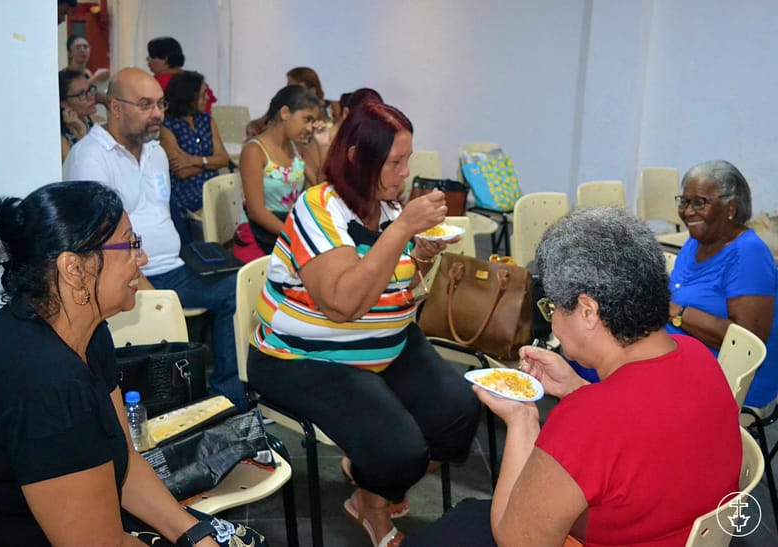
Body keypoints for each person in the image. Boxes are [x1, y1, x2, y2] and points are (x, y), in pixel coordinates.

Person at [405, 206, 742, 547]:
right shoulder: (697, 355)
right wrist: (578, 389)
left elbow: (516, 539)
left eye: (551, 307)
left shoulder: (588, 421)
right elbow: (643, 426)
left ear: (587, 311)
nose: (552, 321)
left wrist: (522, 419)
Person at [0, 181, 265, 546]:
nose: (141, 259)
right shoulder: (48, 385)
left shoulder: (84, 331)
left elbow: (122, 460)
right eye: (130, 244)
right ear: (74, 268)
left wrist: (193, 533)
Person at [247, 101, 481, 547]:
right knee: (400, 450)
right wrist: (402, 232)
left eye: (407, 160)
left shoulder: (389, 209)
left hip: (387, 344)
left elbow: (399, 287)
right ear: (357, 157)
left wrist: (421, 258)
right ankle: (375, 498)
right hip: (303, 357)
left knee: (458, 413)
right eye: (395, 162)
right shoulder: (318, 209)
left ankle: (370, 485)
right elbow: (342, 304)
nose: (404, 172)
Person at [63, 67, 244, 410]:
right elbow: (96, 242)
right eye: (145, 105)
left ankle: (228, 398)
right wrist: (144, 283)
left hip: (174, 268)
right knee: (163, 312)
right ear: (115, 107)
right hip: (125, 275)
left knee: (239, 286)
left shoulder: (157, 153)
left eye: (160, 104)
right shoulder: (90, 158)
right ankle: (171, 403)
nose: (158, 114)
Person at [667, 160, 778, 410]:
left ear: (731, 208)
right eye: (684, 201)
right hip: (684, 355)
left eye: (699, 203)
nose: (686, 211)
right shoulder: (696, 243)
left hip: (732, 382)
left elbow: (747, 345)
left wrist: (676, 313)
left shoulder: (748, 254)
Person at [239, 85, 321, 254]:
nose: (309, 128)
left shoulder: (298, 149)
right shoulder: (254, 151)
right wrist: (294, 235)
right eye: (306, 119)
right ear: (285, 113)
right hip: (259, 234)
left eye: (313, 122)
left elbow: (317, 188)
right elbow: (256, 212)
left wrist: (321, 144)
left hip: (286, 230)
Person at [160, 70, 230, 229]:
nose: (207, 98)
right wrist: (210, 164)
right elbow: (181, 171)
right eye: (203, 94)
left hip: (214, 186)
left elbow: (224, 159)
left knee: (235, 200)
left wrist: (193, 161)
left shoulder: (206, 120)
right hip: (187, 191)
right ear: (189, 96)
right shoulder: (167, 125)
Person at [147, 36, 217, 114]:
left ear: (165, 59)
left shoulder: (154, 83)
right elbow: (207, 112)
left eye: (151, 57)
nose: (148, 61)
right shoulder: (196, 80)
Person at [59, 68, 104, 161]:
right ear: (63, 103)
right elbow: (80, 170)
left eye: (90, 90)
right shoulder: (60, 139)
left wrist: (107, 102)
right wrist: (81, 133)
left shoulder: (97, 122)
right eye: (81, 94)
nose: (91, 97)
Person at [66, 34, 110, 104]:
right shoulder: (65, 75)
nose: (82, 50)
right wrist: (95, 78)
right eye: (78, 47)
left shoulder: (87, 73)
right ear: (70, 52)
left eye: (85, 47)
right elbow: (76, 93)